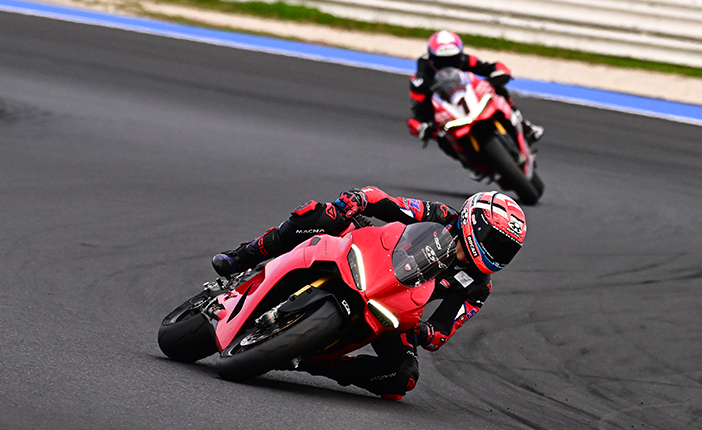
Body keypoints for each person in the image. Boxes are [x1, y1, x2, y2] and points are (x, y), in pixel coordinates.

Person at [212, 186, 527, 400]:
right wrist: (359, 199)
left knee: (402, 379)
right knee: (321, 214)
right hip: (368, 252)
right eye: (495, 241)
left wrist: (427, 332)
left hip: (393, 305)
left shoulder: (478, 287)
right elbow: (388, 203)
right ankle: (243, 256)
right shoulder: (442, 215)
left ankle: (310, 361)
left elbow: (443, 329)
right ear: (475, 221)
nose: (497, 252)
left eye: (506, 249)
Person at [406, 31, 545, 173]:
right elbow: (417, 112)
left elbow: (491, 67)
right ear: (432, 59)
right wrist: (422, 127)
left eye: (452, 59)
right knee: (442, 137)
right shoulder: (420, 79)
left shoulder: (464, 60)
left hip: (470, 96)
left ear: (459, 53)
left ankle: (523, 125)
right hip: (446, 107)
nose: (448, 64)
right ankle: (468, 163)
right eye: (442, 61)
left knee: (499, 90)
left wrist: (500, 74)